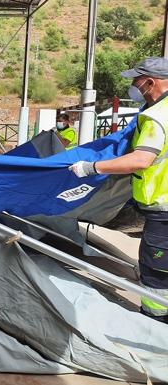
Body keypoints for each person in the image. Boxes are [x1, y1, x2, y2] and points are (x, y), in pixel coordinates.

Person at [69, 57, 168, 324]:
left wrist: (92, 168)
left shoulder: (157, 117)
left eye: (137, 80)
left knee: (157, 272)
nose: (134, 85)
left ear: (151, 82)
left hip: (164, 212)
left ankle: (154, 324)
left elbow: (141, 160)